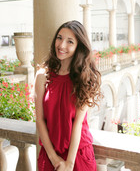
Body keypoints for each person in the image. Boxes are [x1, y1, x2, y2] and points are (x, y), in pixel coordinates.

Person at [34, 20, 102, 171]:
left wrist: (69, 164)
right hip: (50, 156)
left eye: (70, 41)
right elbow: (39, 120)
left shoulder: (85, 78)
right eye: (59, 38)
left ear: (79, 46)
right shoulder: (42, 76)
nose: (62, 45)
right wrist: (54, 159)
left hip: (78, 154)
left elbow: (78, 123)